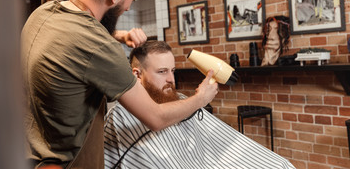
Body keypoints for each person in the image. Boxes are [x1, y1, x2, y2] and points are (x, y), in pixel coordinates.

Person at [21, 0, 218, 168]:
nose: (128, 9)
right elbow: (156, 117)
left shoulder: (42, 13)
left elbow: (75, 39)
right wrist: (201, 98)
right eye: (131, 1)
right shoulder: (99, 46)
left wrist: (119, 35)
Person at [104, 41, 295, 169]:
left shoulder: (180, 99)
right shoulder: (120, 116)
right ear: (137, 75)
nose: (171, 79)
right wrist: (199, 100)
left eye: (173, 70)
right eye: (162, 72)